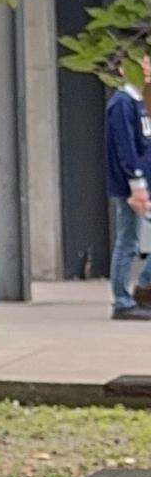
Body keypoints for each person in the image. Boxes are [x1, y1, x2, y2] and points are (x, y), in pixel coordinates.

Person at [105, 43, 151, 322]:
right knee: (128, 241)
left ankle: (141, 290)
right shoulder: (123, 103)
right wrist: (137, 184)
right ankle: (123, 300)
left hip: (143, 181)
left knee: (130, 239)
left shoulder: (139, 101)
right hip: (133, 185)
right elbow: (126, 148)